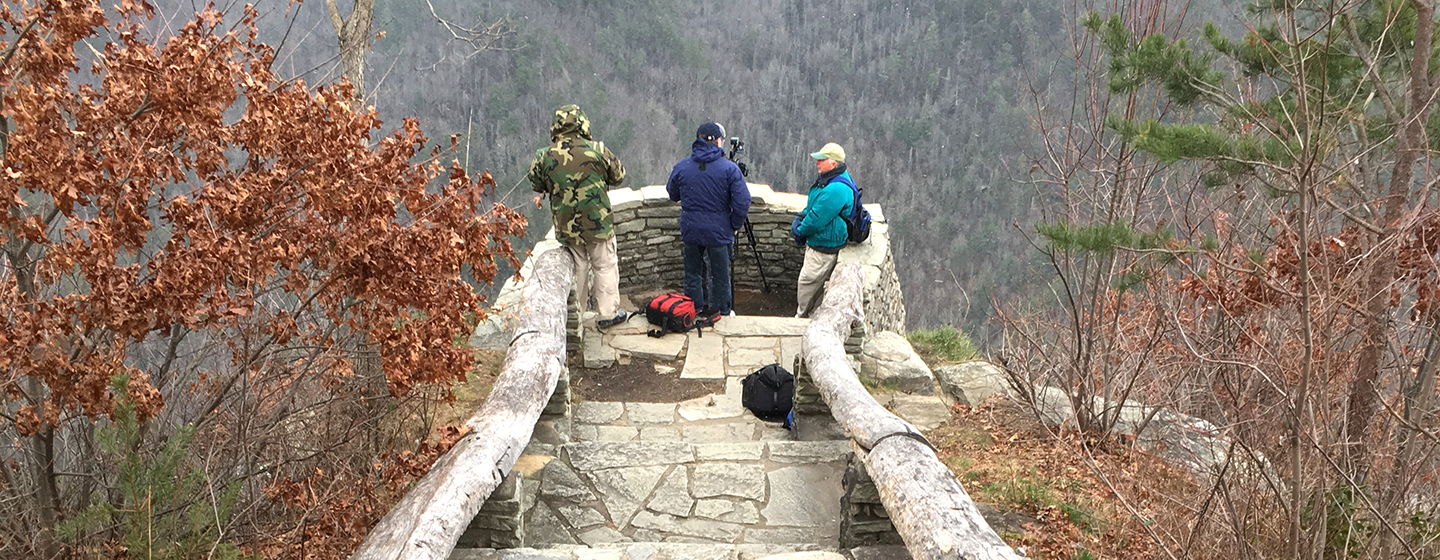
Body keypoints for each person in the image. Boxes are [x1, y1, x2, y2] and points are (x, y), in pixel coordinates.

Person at [528, 104, 630, 328]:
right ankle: (607, 314)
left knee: (579, 268)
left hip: (567, 225)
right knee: (604, 266)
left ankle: (578, 316)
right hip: (598, 222)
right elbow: (619, 175)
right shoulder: (597, 150)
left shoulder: (544, 156)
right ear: (583, 124)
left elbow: (535, 182)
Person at [667, 122, 751, 318]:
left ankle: (693, 310)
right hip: (719, 231)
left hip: (691, 229)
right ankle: (720, 312)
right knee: (720, 276)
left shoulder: (682, 167)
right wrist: (734, 225)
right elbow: (743, 200)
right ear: (718, 141)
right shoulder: (729, 169)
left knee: (693, 274)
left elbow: (673, 193)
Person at [790, 142, 854, 318]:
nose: (817, 162)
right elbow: (814, 207)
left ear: (833, 163)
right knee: (817, 285)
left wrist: (800, 231)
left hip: (823, 246)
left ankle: (801, 316)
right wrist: (802, 216)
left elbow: (817, 218)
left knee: (807, 282)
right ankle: (811, 314)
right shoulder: (835, 180)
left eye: (822, 160)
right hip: (826, 242)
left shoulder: (836, 188)